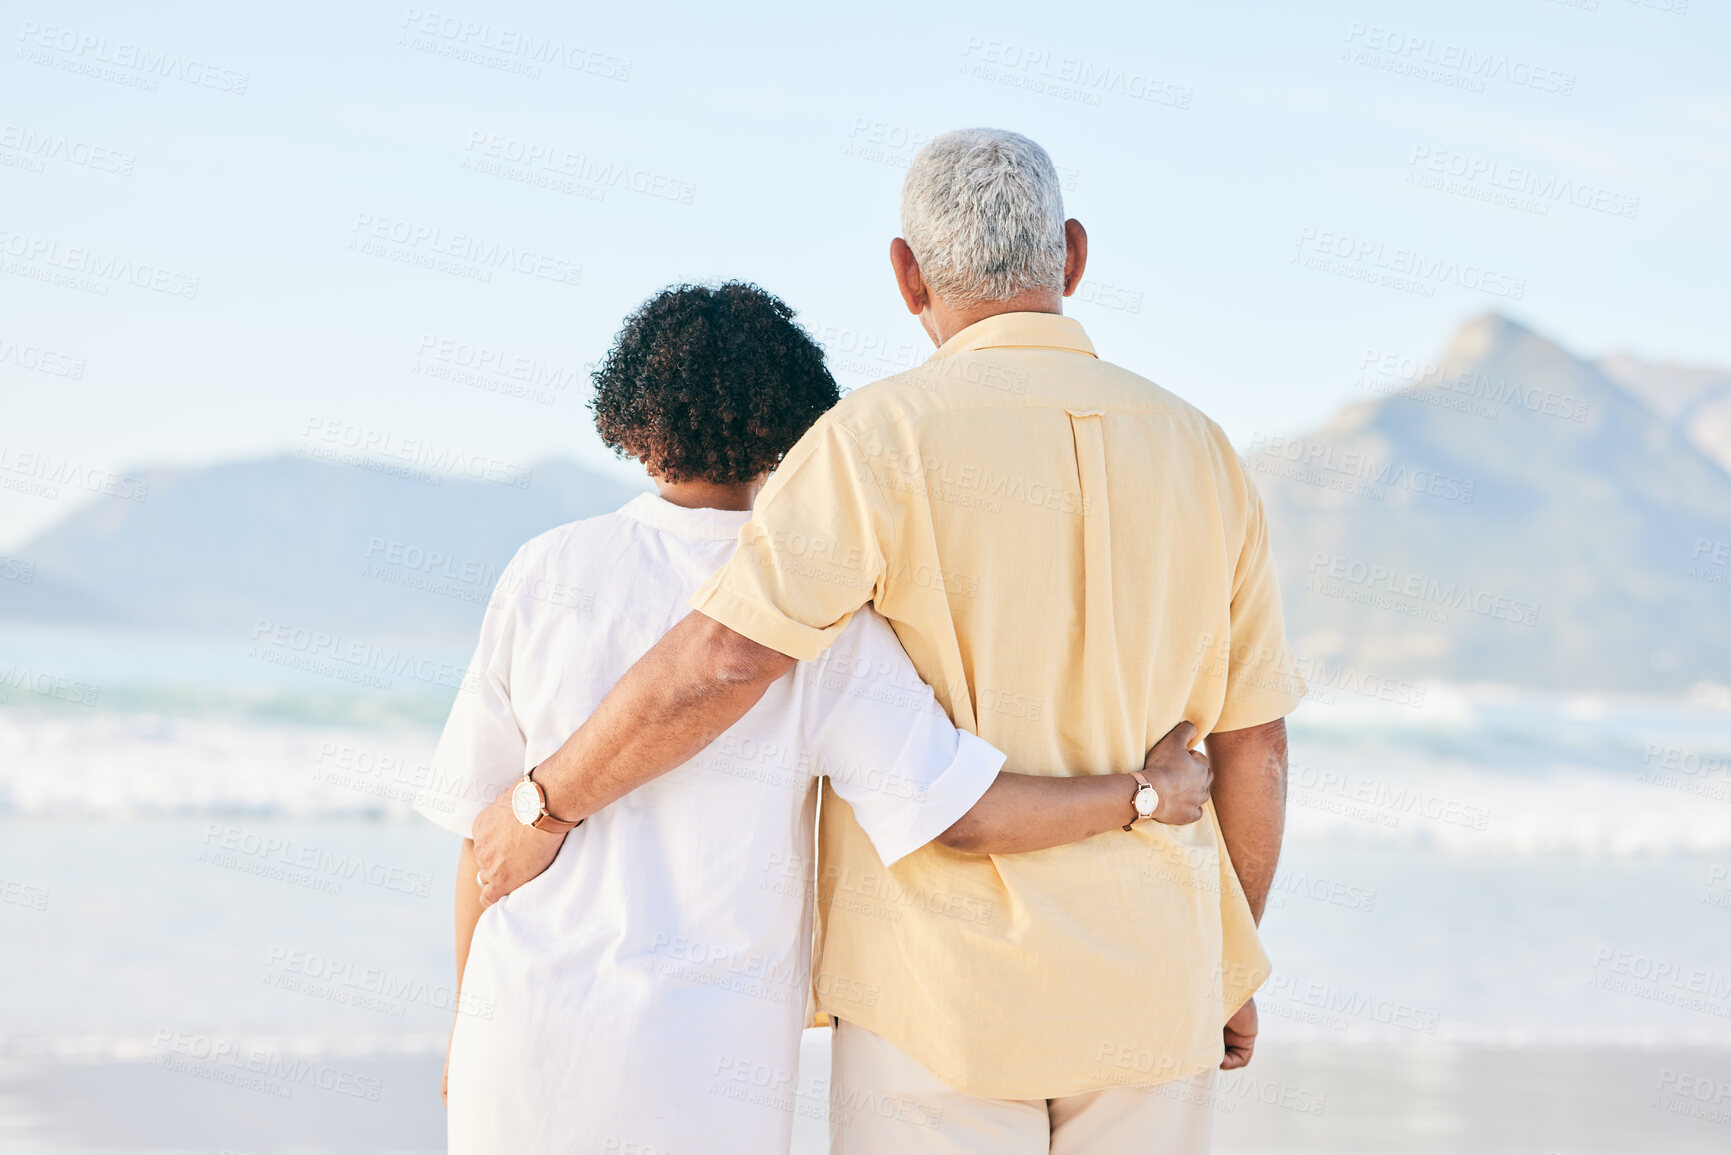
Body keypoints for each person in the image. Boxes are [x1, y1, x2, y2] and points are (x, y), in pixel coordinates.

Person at [475, 128, 1304, 1154]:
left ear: (907, 274)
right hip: (1156, 983)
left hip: (939, 1001)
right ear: (1074, 258)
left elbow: (731, 656)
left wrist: (547, 803)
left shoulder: (879, 437)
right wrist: (1229, 961)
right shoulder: (1204, 452)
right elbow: (1255, 749)